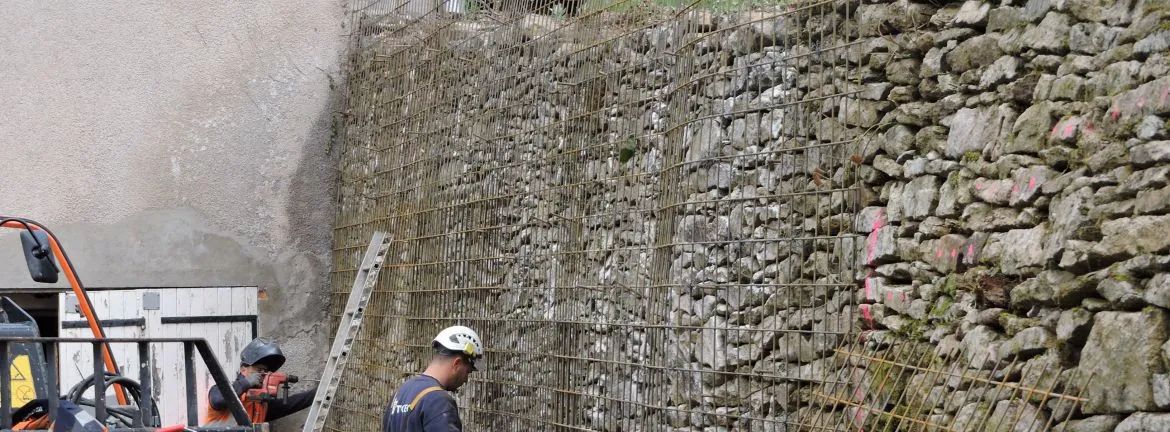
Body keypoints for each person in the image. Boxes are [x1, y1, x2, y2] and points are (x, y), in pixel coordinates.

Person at [382, 325, 484, 432]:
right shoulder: (438, 402)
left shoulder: (401, 392)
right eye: (467, 372)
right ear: (457, 363)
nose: (466, 379)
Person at [203, 337, 318, 426]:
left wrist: (317, 393)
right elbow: (219, 400)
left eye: (265, 370)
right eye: (258, 370)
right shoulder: (218, 390)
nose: (263, 374)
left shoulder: (259, 404)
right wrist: (247, 382)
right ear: (243, 369)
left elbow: (289, 405)